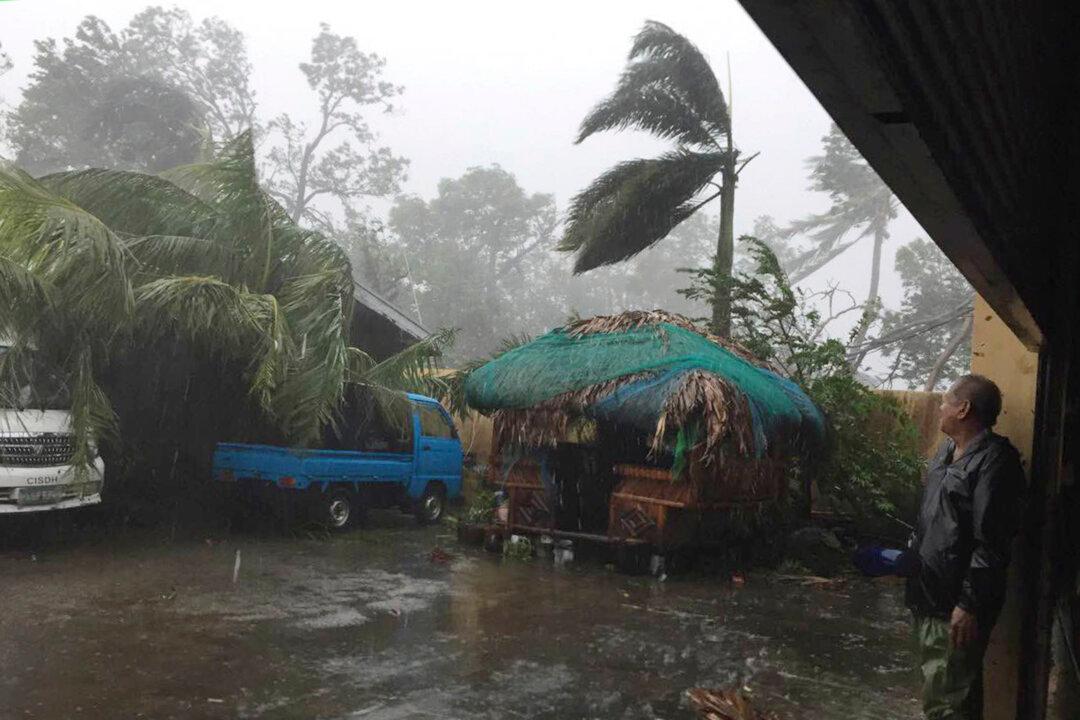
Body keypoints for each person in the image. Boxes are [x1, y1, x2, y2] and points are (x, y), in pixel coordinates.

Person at [905, 374, 1025, 719]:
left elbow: (993, 541)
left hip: (956, 605)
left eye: (945, 401)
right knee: (946, 689)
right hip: (929, 595)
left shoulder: (995, 462)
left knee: (947, 702)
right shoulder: (946, 453)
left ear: (963, 409)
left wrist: (970, 603)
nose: (940, 407)